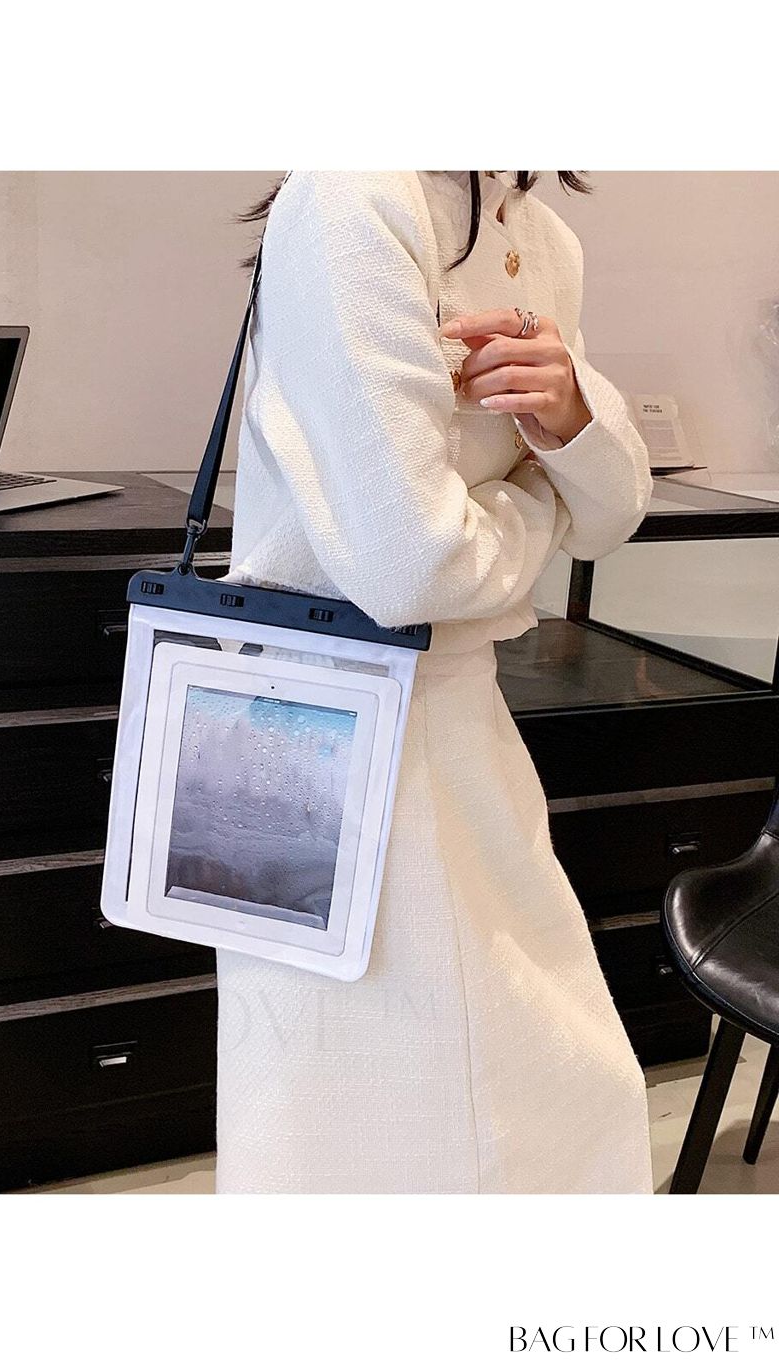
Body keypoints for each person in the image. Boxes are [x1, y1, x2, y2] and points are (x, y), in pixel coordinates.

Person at [214, 170, 655, 1194]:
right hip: (324, 728)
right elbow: (410, 567)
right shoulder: (353, 193)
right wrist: (539, 503)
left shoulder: (541, 235)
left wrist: (571, 418)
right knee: (370, 1109)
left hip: (454, 718)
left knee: (511, 1097)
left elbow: (614, 512)